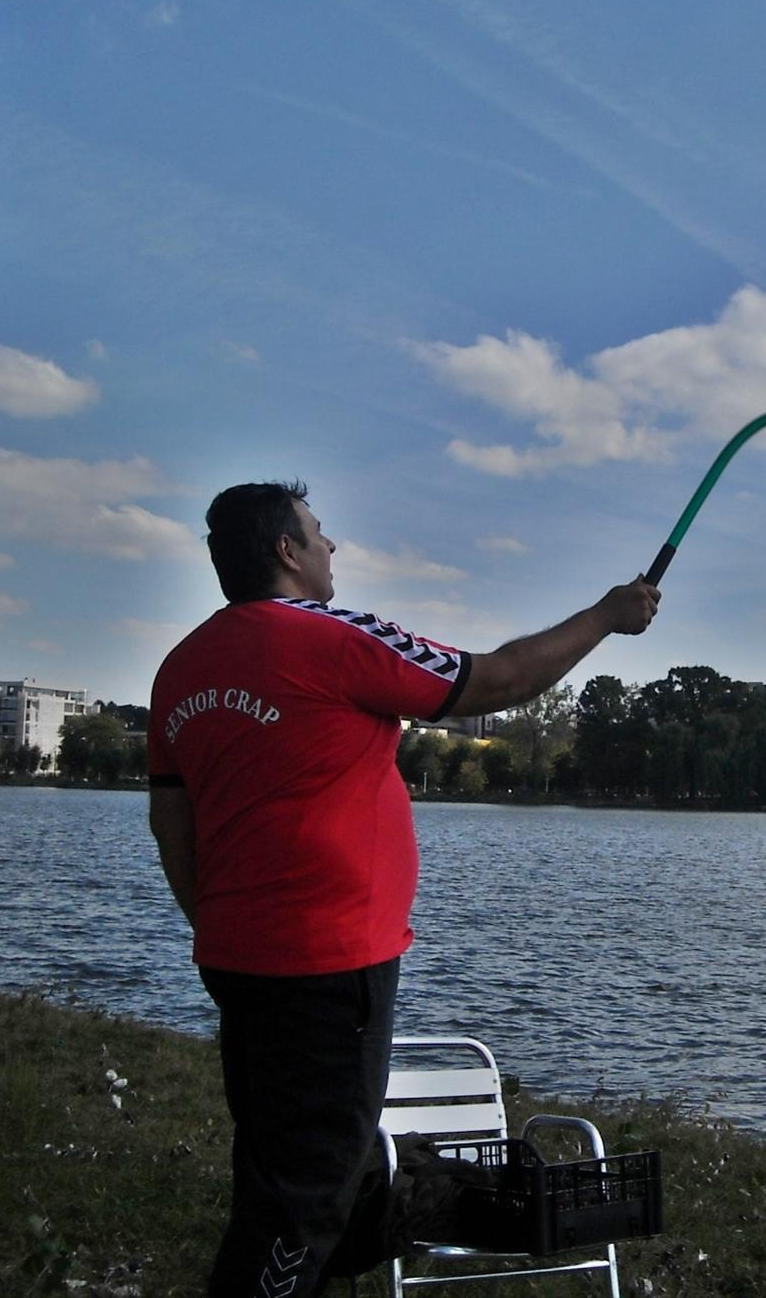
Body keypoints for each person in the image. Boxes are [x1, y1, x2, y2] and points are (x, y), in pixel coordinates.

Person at [147, 480, 658, 1298]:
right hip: (328, 971)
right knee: (301, 1204)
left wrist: (217, 923)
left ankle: (383, 1222)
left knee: (284, 1165)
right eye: (318, 533)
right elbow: (496, 680)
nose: (332, 546)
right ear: (285, 550)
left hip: (237, 963)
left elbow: (170, 826)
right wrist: (604, 615)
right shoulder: (338, 638)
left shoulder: (181, 668)